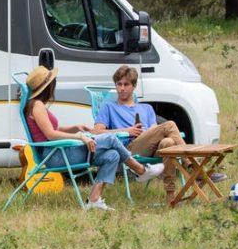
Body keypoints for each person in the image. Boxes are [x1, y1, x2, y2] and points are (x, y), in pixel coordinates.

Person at [24, 65, 163, 211]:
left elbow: (52, 130)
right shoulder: (38, 106)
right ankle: (140, 170)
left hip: (58, 151)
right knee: (110, 139)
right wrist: (80, 137)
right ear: (48, 86)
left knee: (112, 155)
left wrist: (76, 127)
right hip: (55, 155)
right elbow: (51, 135)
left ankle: (94, 200)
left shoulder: (36, 105)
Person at [91, 65, 226, 201]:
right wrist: (127, 130)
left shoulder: (146, 108)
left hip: (152, 147)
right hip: (129, 149)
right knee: (170, 125)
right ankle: (195, 169)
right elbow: (97, 132)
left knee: (168, 142)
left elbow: (156, 131)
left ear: (134, 86)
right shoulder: (109, 107)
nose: (122, 88)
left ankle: (171, 197)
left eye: (126, 84)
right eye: (119, 84)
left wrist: (147, 133)